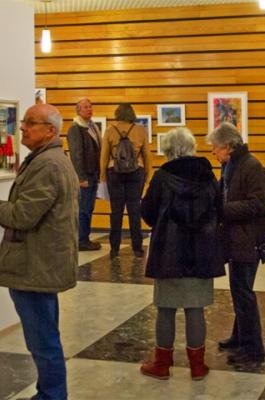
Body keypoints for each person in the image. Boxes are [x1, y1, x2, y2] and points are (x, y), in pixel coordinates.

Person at [0, 103, 79, 400]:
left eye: (30, 123)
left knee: (43, 340)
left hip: (35, 267)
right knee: (45, 337)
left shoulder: (47, 164)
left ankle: (52, 395)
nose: (22, 127)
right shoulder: (50, 159)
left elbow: (23, 216)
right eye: (23, 121)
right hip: (39, 264)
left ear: (50, 131)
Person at [140, 127, 225, 380]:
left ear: (168, 150)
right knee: (195, 308)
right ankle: (197, 366)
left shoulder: (162, 177)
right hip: (201, 251)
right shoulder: (208, 176)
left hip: (169, 251)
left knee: (165, 308)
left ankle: (162, 365)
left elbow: (147, 213)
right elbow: (219, 210)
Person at [206, 122, 265, 364]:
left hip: (248, 239)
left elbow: (258, 204)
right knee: (238, 290)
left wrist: (223, 209)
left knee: (244, 292)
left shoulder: (251, 166)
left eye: (216, 147)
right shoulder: (231, 165)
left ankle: (253, 348)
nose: (213, 151)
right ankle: (240, 335)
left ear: (229, 146)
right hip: (236, 238)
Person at [100, 103, 151, 259]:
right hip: (137, 172)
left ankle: (114, 248)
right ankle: (137, 248)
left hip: (114, 172)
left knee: (116, 211)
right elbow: (147, 155)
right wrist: (147, 175)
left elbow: (104, 156)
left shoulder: (110, 130)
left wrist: (102, 176)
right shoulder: (140, 130)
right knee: (134, 209)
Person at [67, 98, 102, 251]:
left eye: (90, 106)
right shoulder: (75, 128)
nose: (89, 109)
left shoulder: (92, 127)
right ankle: (82, 240)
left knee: (89, 208)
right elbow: (76, 155)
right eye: (86, 107)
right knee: (83, 209)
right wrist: (81, 178)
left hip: (93, 174)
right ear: (78, 111)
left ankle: (85, 238)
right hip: (85, 177)